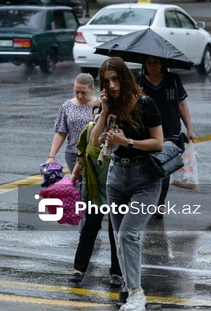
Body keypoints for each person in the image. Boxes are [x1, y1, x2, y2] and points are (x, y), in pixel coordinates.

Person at [91, 57, 164, 311]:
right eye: (106, 81)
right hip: (117, 179)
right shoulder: (111, 106)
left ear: (124, 77)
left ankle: (136, 292)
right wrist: (104, 110)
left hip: (146, 179)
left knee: (128, 234)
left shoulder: (146, 104)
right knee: (121, 237)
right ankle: (129, 287)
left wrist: (127, 142)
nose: (111, 85)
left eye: (115, 79)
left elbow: (158, 143)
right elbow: (95, 143)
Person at [68, 107, 122, 288]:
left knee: (115, 232)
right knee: (90, 227)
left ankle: (117, 272)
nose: (101, 118)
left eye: (105, 115)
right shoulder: (90, 129)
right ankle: (78, 269)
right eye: (98, 115)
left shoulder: (119, 133)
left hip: (117, 190)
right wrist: (74, 177)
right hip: (93, 188)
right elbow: (81, 155)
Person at [139, 55, 195, 219]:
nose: (152, 66)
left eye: (155, 62)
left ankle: (159, 204)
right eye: (148, 62)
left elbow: (182, 105)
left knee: (164, 169)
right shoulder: (139, 81)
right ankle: (148, 201)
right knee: (147, 169)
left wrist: (189, 128)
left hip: (170, 131)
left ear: (163, 63)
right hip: (146, 133)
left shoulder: (173, 79)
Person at [46, 73, 98, 173]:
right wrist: (52, 156)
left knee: (91, 186)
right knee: (76, 185)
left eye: (84, 92)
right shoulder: (67, 106)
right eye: (76, 92)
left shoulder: (100, 105)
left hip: (94, 154)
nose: (79, 95)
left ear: (92, 89)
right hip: (73, 154)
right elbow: (61, 132)